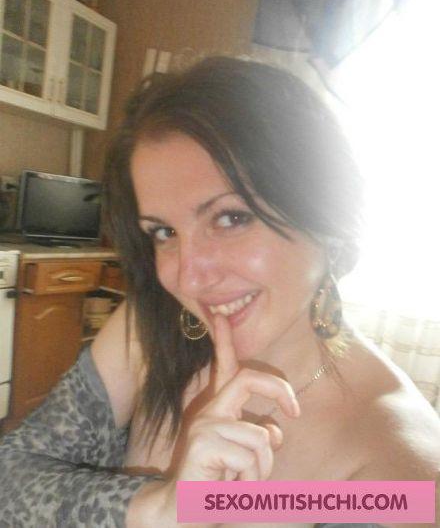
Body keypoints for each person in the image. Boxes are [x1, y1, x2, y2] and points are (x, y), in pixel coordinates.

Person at [0, 57, 439, 528]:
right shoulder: (152, 328)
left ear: (325, 217)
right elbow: (11, 475)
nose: (189, 279)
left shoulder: (401, 469)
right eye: (164, 232)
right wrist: (158, 508)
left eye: (231, 218)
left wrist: (208, 508)